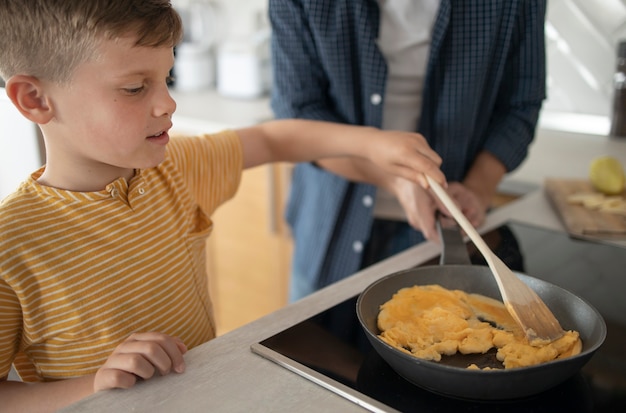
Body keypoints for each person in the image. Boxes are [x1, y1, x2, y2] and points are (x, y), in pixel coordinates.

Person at [0, 1, 446, 411]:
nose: (168, 103)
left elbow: (274, 139)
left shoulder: (175, 169)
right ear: (35, 99)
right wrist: (95, 385)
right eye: (136, 88)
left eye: (166, 78)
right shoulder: (11, 242)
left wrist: (376, 144)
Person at [269, 0, 547, 301]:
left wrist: (478, 188)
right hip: (328, 225)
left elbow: (520, 107)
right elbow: (298, 116)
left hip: (444, 233)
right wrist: (396, 180)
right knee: (311, 344)